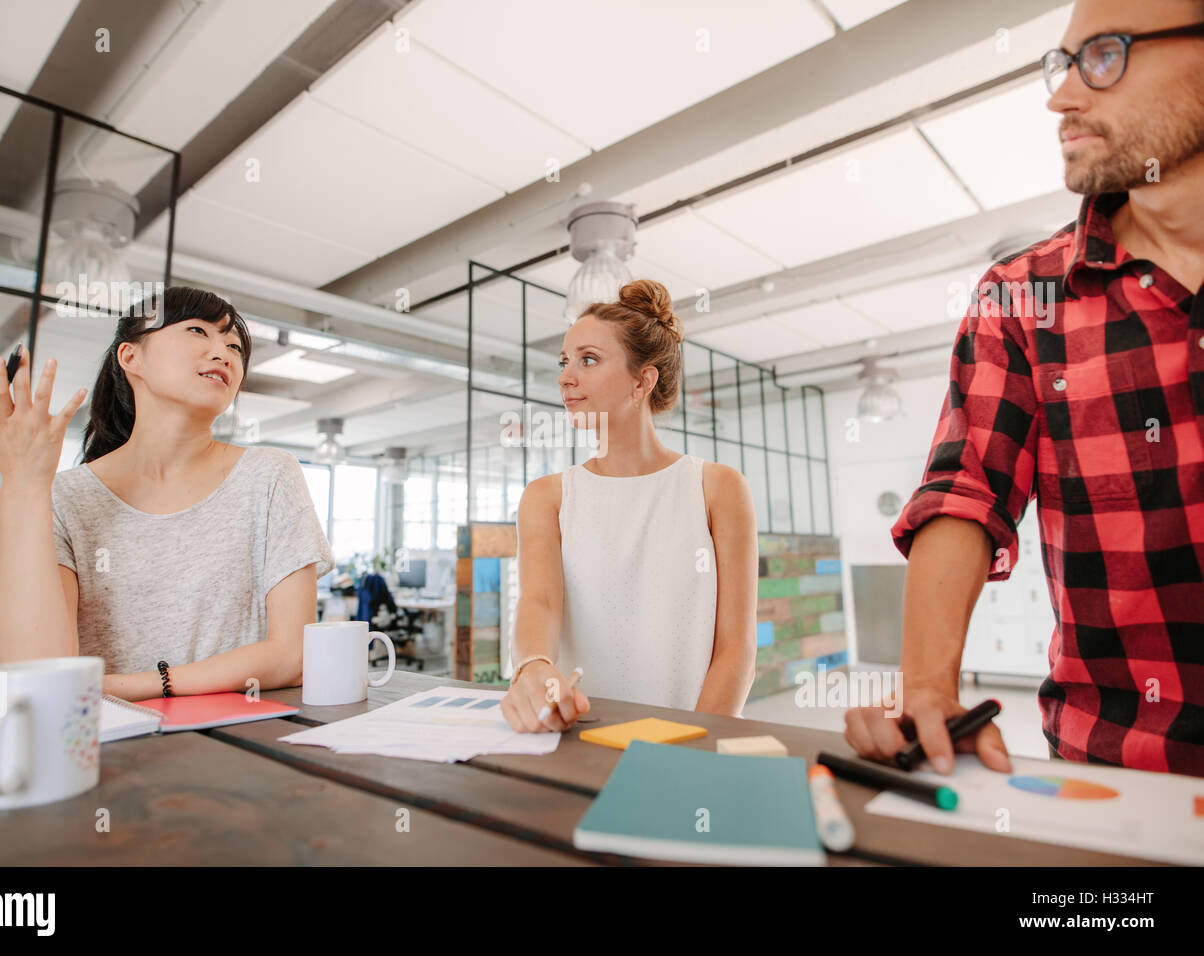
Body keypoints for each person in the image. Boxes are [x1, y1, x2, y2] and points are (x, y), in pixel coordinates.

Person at [845, 0, 1204, 776]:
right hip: (1117, 779)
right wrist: (929, 687)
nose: (1061, 97)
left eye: (1104, 56)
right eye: (1061, 63)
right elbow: (966, 490)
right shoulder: (1022, 295)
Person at [0, 286, 334, 700]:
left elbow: (293, 654)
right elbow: (35, 674)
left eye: (235, 346)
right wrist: (24, 485)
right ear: (130, 357)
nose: (224, 352)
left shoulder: (271, 475)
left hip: (240, 747)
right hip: (104, 750)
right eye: (197, 331)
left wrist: (132, 686)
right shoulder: (68, 497)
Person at [500, 279, 758, 734]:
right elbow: (538, 601)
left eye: (589, 360)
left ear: (643, 380)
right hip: (581, 740)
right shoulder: (547, 497)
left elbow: (736, 649)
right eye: (565, 361)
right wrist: (534, 665)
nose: (565, 377)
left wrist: (690, 743)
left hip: (689, 745)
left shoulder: (718, 489)